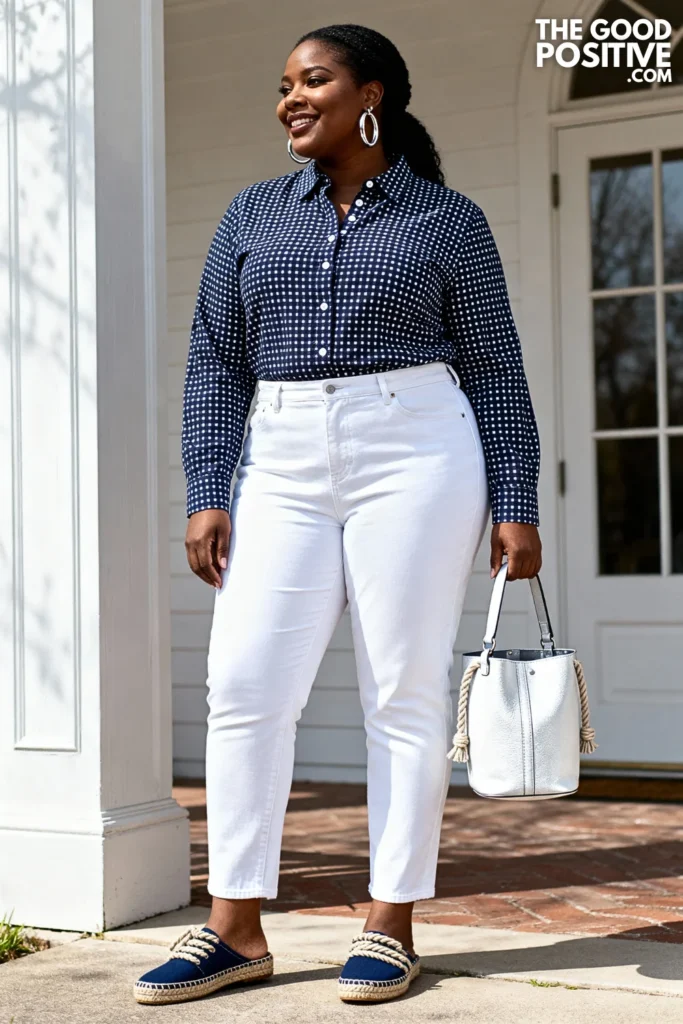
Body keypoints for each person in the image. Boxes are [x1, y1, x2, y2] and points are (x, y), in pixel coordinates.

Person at [134, 22, 542, 1007]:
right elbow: (214, 365)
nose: (288, 98)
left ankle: (389, 920)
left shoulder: (447, 222)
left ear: (372, 97)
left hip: (415, 448)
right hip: (276, 455)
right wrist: (206, 486)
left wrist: (515, 500)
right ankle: (233, 926)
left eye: (310, 80)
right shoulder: (249, 216)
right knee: (240, 682)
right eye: (281, 84)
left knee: (400, 690)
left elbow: (492, 367)